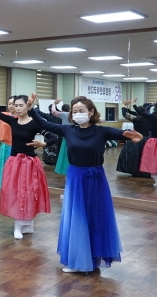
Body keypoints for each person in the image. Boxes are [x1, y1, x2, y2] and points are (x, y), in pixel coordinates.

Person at [28, 94, 143, 272]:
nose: (77, 114)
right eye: (74, 112)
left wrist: (135, 136)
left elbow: (125, 134)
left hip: (96, 178)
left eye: (81, 110)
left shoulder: (102, 131)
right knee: (77, 218)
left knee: (95, 216)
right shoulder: (68, 130)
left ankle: (93, 257)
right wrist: (31, 109)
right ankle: (78, 260)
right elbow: (44, 124)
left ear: (90, 112)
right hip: (76, 178)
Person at [0, 87, 54, 239]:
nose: (18, 108)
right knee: (17, 193)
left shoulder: (35, 123)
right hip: (15, 163)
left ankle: (28, 224)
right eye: (16, 105)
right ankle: (18, 225)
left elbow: (53, 137)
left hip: (30, 163)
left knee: (30, 193)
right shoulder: (12, 121)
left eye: (21, 105)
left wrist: (43, 144)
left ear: (28, 106)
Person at [115, 98, 151, 178]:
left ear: (137, 113)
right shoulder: (149, 119)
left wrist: (123, 105)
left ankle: (134, 171)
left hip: (136, 139)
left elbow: (124, 114)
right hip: (147, 139)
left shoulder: (136, 120)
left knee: (134, 156)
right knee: (145, 156)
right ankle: (146, 171)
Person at [51, 99, 72, 175]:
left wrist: (54, 103)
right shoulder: (77, 114)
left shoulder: (64, 114)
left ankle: (66, 169)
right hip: (77, 137)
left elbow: (53, 111)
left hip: (66, 137)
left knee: (64, 155)